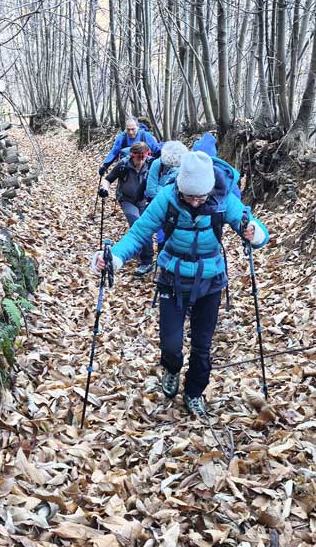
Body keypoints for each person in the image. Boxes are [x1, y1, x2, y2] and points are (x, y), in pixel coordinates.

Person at [91, 151, 270, 415]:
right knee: (171, 346)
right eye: (190, 196)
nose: (196, 203)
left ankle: (194, 393)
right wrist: (115, 257)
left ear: (210, 188)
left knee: (202, 346)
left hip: (210, 281)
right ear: (180, 188)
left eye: (201, 197)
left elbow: (253, 227)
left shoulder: (223, 199)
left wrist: (254, 233)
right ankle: (172, 369)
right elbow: (140, 232)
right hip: (172, 279)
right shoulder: (168, 198)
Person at [99, 142, 155, 275]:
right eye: (138, 158)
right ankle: (146, 261)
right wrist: (104, 189)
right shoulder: (123, 165)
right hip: (127, 200)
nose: (140, 161)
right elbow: (108, 180)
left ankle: (144, 255)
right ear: (132, 156)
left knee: (145, 227)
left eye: (143, 158)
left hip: (144, 200)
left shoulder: (152, 164)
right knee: (137, 222)